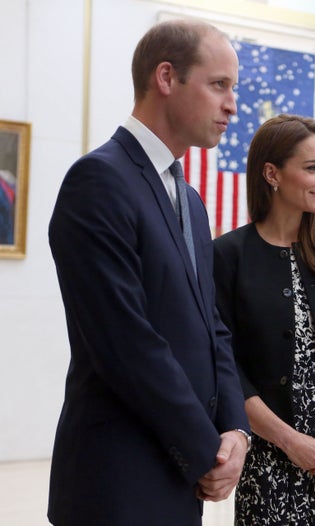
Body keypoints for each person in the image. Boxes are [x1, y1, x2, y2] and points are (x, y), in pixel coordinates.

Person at [47, 20, 250, 526]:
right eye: (219, 85)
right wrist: (206, 449)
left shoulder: (191, 200)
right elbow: (126, 342)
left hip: (179, 476)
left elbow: (212, 327)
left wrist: (235, 431)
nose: (232, 105)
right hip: (118, 481)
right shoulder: (99, 181)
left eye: (234, 88)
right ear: (166, 77)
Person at [213, 114, 315, 525]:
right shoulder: (227, 256)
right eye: (312, 168)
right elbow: (227, 370)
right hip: (269, 457)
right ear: (271, 173)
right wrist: (289, 441)